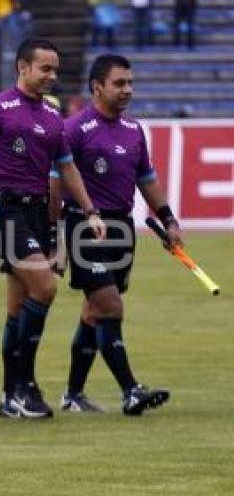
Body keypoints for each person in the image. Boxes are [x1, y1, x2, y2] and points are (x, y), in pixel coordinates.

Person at [0, 38, 106, 419]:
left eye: (55, 70)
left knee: (19, 306)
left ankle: (9, 397)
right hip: (4, 210)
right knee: (46, 287)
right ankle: (25, 385)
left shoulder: (53, 117)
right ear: (23, 67)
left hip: (36, 212)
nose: (52, 76)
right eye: (45, 69)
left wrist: (90, 210)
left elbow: (67, 169)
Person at [53, 54, 174, 415]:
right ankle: (130, 391)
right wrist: (56, 239)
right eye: (119, 83)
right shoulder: (74, 129)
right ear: (97, 88)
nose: (127, 90)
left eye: (130, 83)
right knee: (110, 305)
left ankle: (73, 395)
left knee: (95, 312)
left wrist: (168, 220)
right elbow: (56, 187)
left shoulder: (135, 131)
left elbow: (146, 180)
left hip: (121, 229)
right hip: (85, 227)